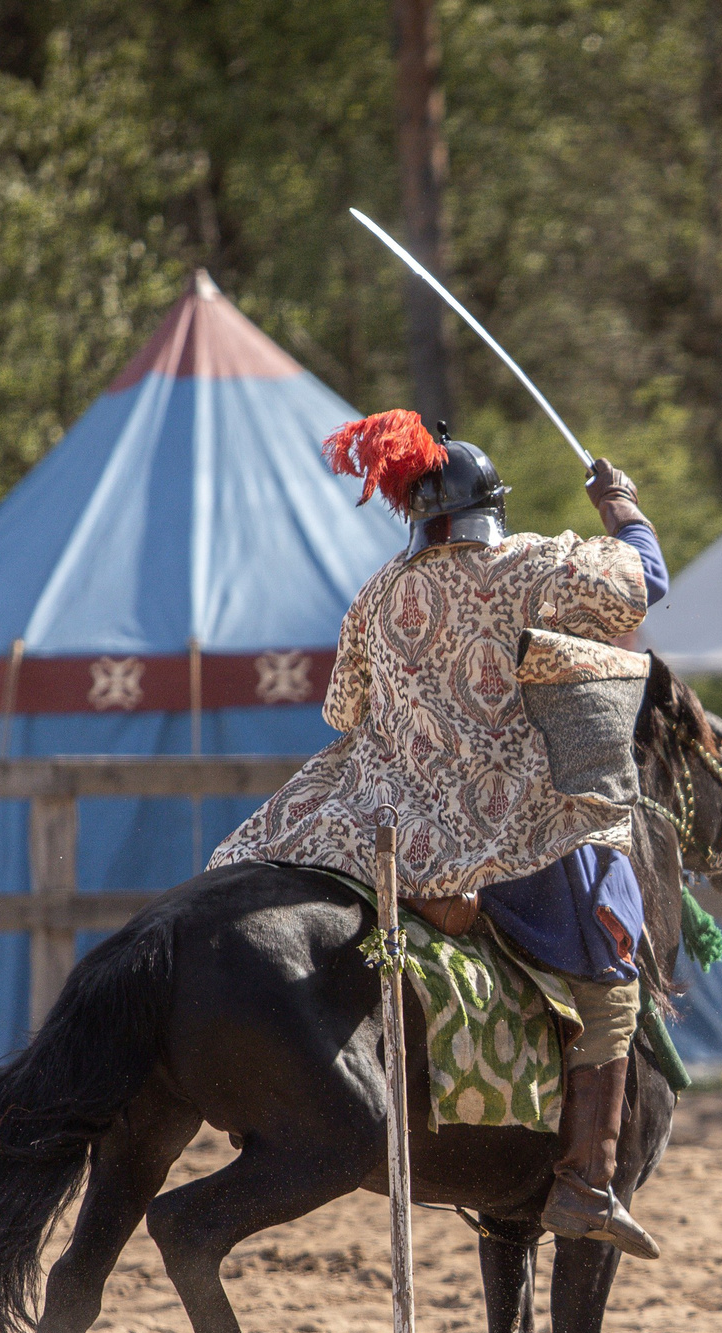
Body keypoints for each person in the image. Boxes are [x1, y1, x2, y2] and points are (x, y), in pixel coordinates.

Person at [211, 410, 667, 1259]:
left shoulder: (379, 590)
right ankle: (585, 1180)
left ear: (416, 514)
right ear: (491, 505)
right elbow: (646, 581)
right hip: (509, 840)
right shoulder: (529, 564)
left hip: (386, 834)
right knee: (612, 980)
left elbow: (342, 713)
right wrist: (623, 507)